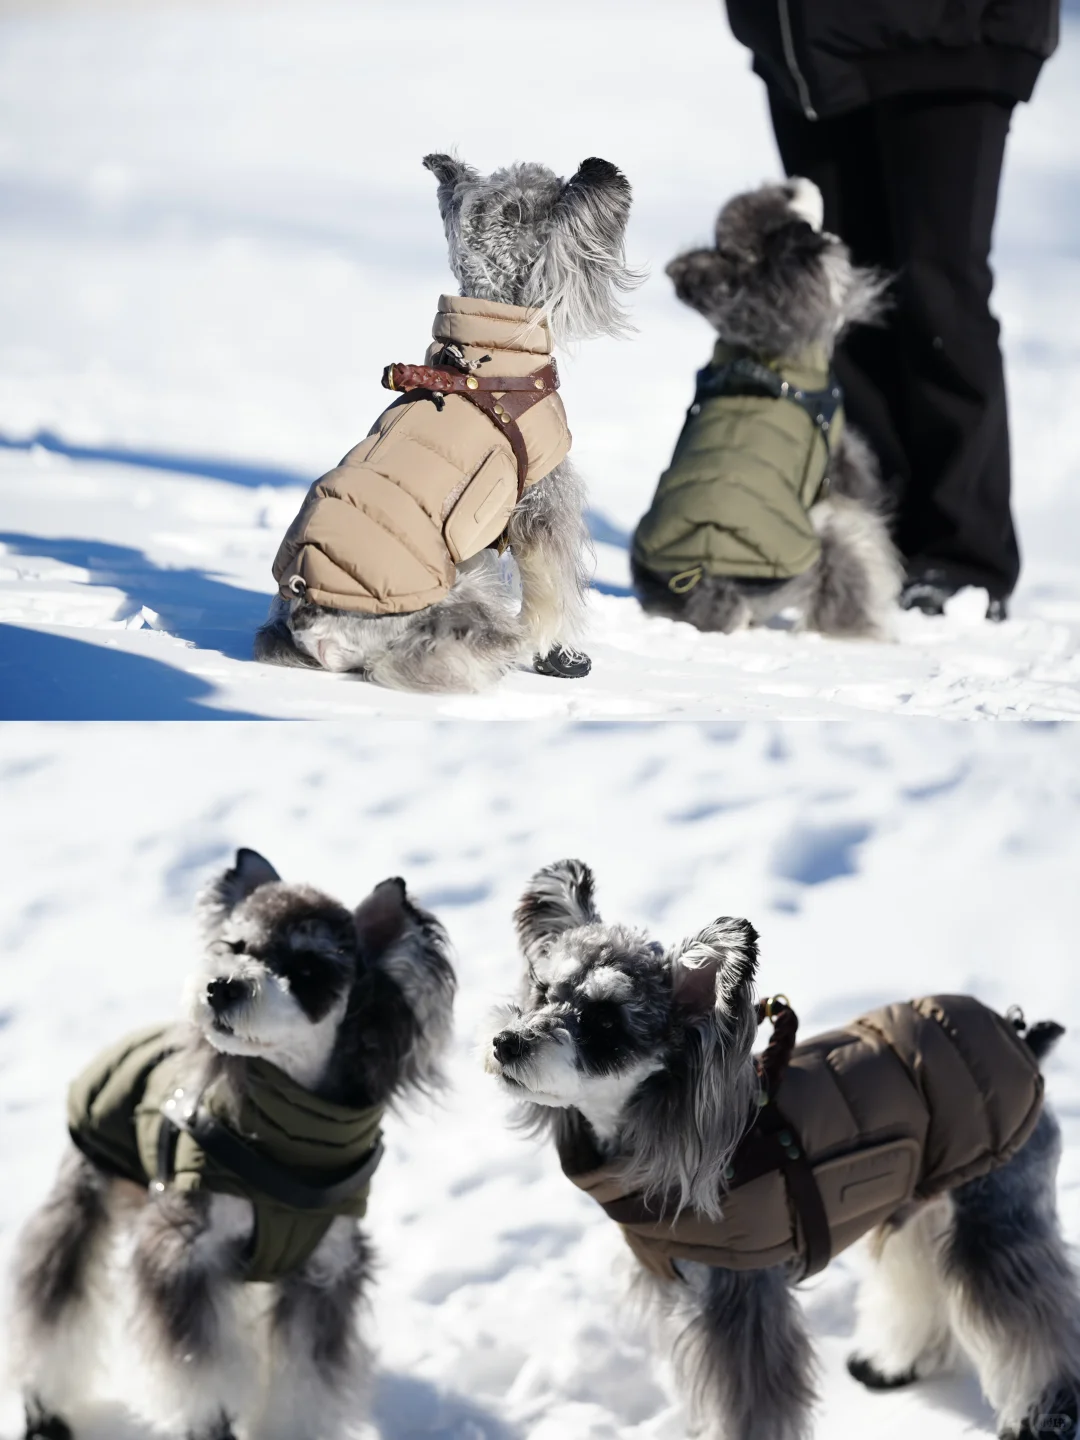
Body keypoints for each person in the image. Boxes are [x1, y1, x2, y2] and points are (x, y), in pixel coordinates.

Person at [722, 0, 1061, 619]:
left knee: (939, 293)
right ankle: (871, 538)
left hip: (949, 33)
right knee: (841, 298)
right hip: (807, 46)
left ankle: (963, 556)